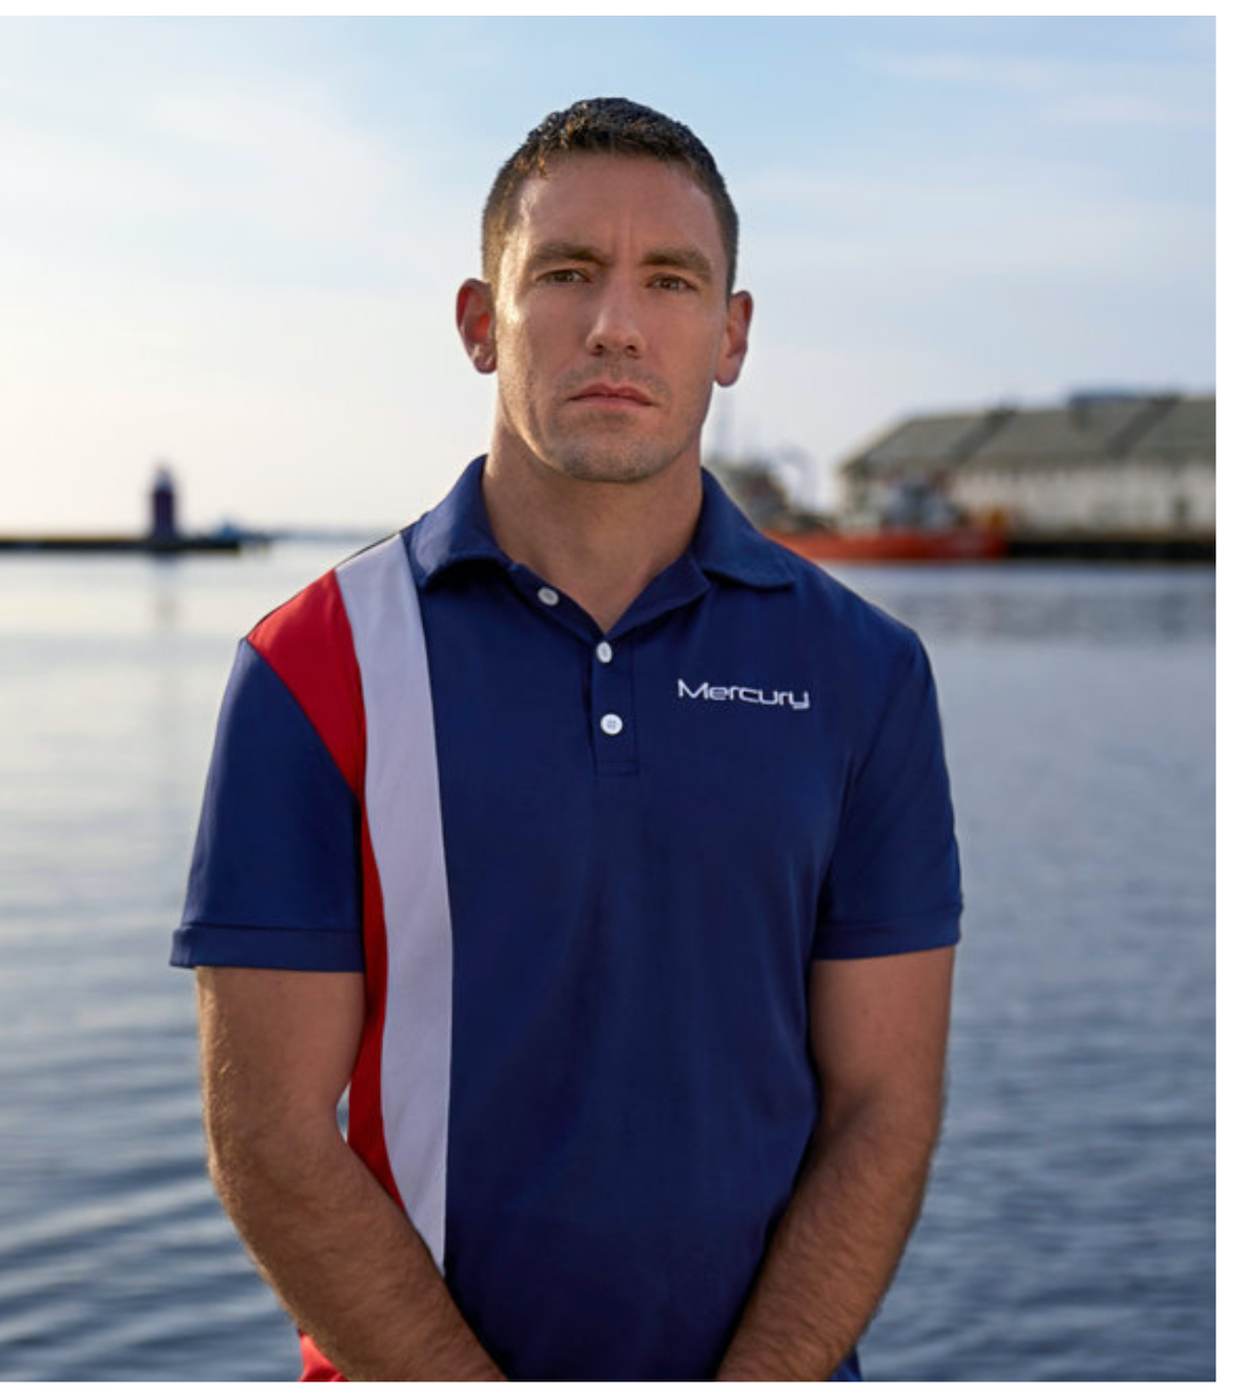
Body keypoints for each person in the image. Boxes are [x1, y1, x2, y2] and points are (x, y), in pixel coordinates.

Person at [171, 96, 961, 1382]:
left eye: (669, 280)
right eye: (565, 273)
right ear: (479, 322)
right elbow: (266, 1133)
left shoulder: (863, 672)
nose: (614, 324)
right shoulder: (313, 664)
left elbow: (883, 1109)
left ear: (730, 335)